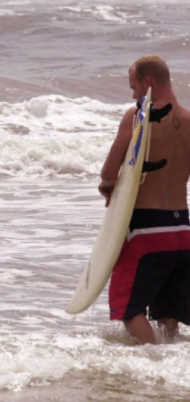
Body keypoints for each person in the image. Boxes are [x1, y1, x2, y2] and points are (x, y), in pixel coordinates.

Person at [98, 55, 190, 344]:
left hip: (146, 233)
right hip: (183, 231)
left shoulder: (136, 117)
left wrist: (107, 188)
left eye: (134, 87)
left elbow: (108, 173)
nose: (133, 95)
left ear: (147, 82)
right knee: (168, 311)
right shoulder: (189, 120)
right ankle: (174, 378)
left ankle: (157, 368)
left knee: (129, 309)